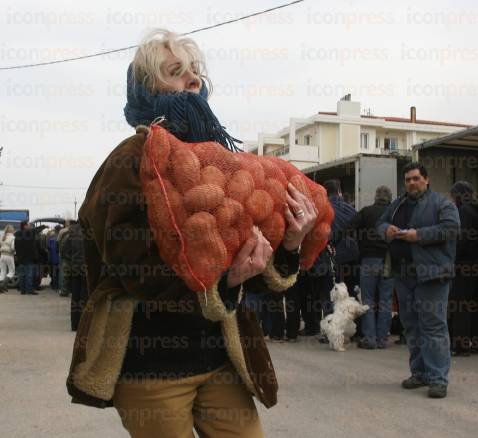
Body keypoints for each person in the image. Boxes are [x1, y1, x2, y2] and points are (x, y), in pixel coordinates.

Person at [66, 29, 318, 438]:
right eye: (176, 71)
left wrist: (288, 244)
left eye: (196, 70)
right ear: (148, 88)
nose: (194, 79)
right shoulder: (127, 161)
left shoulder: (219, 165)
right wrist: (226, 280)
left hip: (219, 361)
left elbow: (249, 281)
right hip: (151, 367)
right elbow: (137, 272)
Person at [377, 162, 460, 399]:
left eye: (416, 178)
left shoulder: (442, 203)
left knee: (433, 327)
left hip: (432, 275)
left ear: (426, 180)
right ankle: (420, 373)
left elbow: (452, 228)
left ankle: (438, 379)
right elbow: (379, 223)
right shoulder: (398, 204)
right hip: (404, 277)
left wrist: (419, 235)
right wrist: (387, 230)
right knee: (411, 327)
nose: (412, 183)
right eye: (408, 179)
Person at [347, 185, 394, 350]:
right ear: (390, 198)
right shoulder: (394, 212)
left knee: (368, 300)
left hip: (369, 260)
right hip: (389, 261)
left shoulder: (366, 211)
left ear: (376, 197)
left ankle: (370, 339)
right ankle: (382, 340)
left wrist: (361, 241)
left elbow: (349, 228)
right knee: (385, 301)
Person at [448, 181, 478, 356]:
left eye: (453, 196)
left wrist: (452, 258)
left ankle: (461, 344)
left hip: (464, 264)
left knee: (460, 305)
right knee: (475, 304)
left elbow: (461, 240)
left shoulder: (464, 211)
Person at [61, 221, 87, 331]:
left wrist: (70, 260)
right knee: (85, 296)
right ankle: (83, 325)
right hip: (86, 268)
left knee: (75, 297)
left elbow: (63, 250)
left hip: (74, 267)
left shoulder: (70, 232)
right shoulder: (90, 230)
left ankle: (74, 324)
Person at [14, 221, 39, 296]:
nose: (29, 226)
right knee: (29, 274)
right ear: (25, 226)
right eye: (28, 225)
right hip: (29, 257)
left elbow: (16, 246)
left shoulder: (17, 234)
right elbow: (32, 247)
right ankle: (30, 290)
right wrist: (35, 256)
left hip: (20, 258)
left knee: (22, 274)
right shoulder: (29, 234)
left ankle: (22, 290)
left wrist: (18, 256)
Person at [0, 225, 16, 293]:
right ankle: (3, 285)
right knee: (11, 272)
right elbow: (12, 248)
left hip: (2, 256)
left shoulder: (2, 237)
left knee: (2, 272)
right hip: (9, 255)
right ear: (12, 230)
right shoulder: (13, 237)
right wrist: (15, 252)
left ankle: (1, 288)